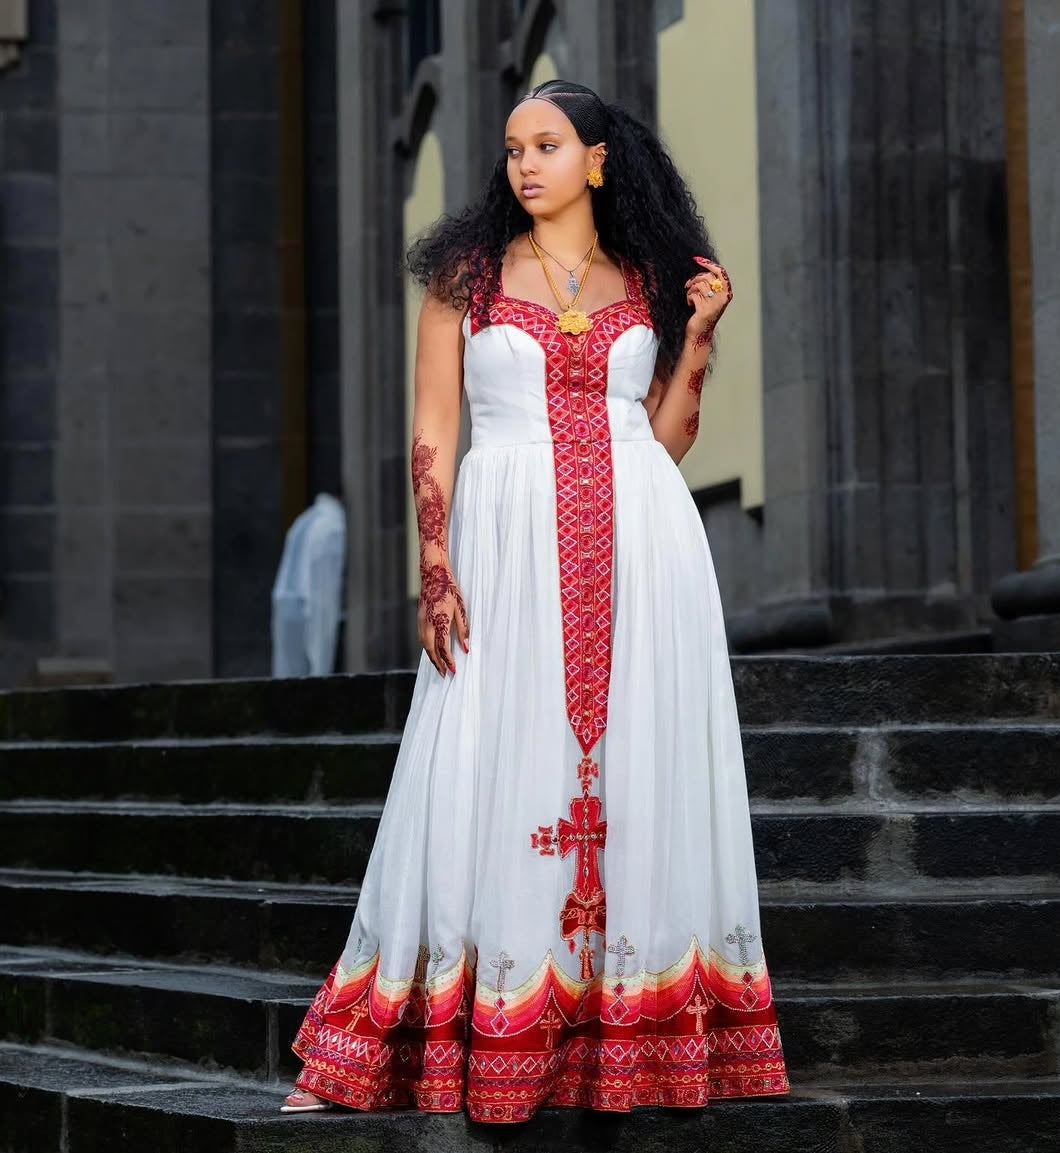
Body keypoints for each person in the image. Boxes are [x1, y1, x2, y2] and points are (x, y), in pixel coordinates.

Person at [282, 79, 789, 1122]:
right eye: (513, 147)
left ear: (595, 159)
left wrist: (696, 336)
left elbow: (670, 436)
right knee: (483, 759)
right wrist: (435, 561)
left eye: (547, 144)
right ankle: (430, 1036)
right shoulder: (464, 278)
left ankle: (632, 1044)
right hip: (506, 546)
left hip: (644, 544)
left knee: (635, 771)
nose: (524, 163)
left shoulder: (648, 276)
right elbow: (433, 426)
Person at [271, 492, 347, 678]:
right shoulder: (332, 526)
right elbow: (323, 594)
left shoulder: (306, 519)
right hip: (307, 606)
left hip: (287, 606)